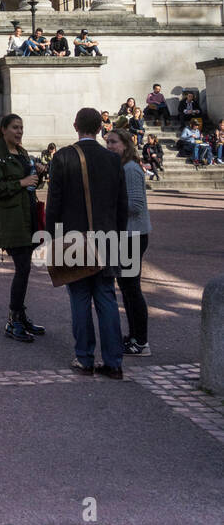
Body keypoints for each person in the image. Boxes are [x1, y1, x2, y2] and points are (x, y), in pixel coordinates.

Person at [45, 107, 128, 379]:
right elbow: (122, 206)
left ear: (75, 126)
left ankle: (85, 358)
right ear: (100, 128)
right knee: (106, 298)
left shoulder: (64, 156)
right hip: (108, 236)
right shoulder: (113, 159)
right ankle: (114, 361)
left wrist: (51, 237)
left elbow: (54, 203)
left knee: (79, 298)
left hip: (73, 237)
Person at [0, 114, 47, 343]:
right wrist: (21, 182)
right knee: (23, 268)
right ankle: (13, 319)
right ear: (3, 130)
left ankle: (20, 314)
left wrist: (37, 176)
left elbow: (30, 185)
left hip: (27, 214)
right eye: (14, 127)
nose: (19, 132)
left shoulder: (21, 153)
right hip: (11, 219)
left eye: (21, 128)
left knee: (25, 268)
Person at [105, 127, 151, 357]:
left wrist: (109, 203)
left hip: (133, 235)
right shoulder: (122, 167)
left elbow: (134, 206)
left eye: (114, 142)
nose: (110, 146)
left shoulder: (131, 169)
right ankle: (134, 336)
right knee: (126, 287)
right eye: (108, 142)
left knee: (132, 289)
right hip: (127, 235)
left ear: (125, 144)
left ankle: (141, 340)